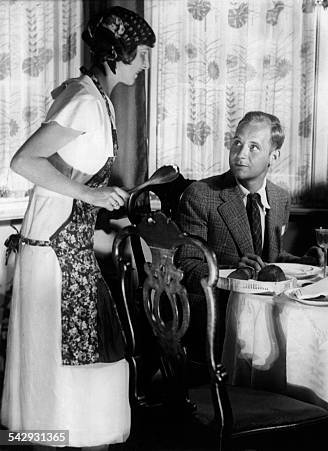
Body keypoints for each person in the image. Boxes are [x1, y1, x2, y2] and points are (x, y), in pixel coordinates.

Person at [1, 7, 155, 449]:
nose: (145, 64)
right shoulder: (84, 99)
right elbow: (23, 161)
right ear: (117, 54)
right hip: (52, 256)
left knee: (89, 373)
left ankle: (81, 442)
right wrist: (91, 197)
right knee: (60, 380)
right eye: (141, 54)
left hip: (71, 249)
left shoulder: (95, 97)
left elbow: (74, 174)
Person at [176, 111, 323, 292]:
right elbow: (186, 265)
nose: (241, 154)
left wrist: (304, 262)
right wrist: (235, 271)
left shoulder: (280, 198)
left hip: (268, 304)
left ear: (273, 156)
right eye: (237, 143)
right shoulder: (201, 195)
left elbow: (271, 258)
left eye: (253, 147)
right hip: (220, 306)